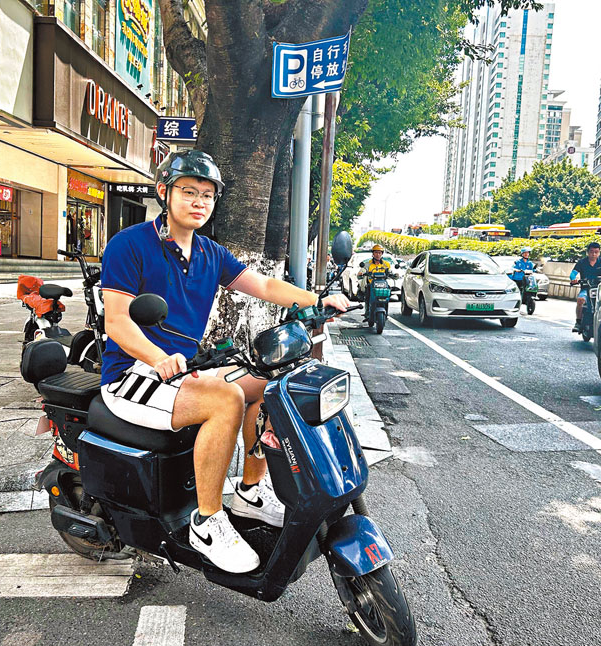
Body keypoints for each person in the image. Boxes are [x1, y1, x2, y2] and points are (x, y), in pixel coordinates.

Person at [100, 151, 350, 574]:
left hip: (183, 370)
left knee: (267, 384)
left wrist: (317, 301)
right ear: (164, 192)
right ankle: (207, 520)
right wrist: (159, 357)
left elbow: (265, 284)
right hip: (132, 373)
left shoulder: (210, 252)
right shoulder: (130, 244)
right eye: (188, 192)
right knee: (226, 399)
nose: (199, 202)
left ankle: (250, 490)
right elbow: (118, 322)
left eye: (208, 195)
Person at [570, 241, 601, 331]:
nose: (594, 254)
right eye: (591, 252)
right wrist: (573, 279)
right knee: (580, 300)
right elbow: (573, 273)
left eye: (596, 252)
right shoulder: (581, 262)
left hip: (600, 289)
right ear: (588, 252)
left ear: (599, 252)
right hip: (586, 288)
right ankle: (578, 322)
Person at [357, 244, 392, 318]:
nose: (378, 254)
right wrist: (361, 273)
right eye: (376, 252)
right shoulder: (368, 264)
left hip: (383, 284)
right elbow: (362, 271)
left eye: (379, 253)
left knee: (388, 294)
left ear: (382, 254)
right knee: (367, 294)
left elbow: (391, 272)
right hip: (371, 284)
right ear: (373, 253)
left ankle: (386, 311)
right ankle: (367, 311)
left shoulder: (386, 264)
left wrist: (394, 275)